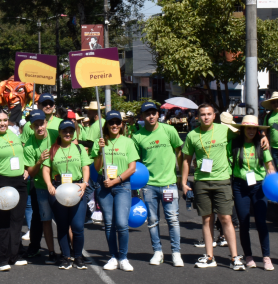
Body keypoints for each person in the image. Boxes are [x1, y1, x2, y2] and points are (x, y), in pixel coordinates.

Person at [181, 103, 245, 270]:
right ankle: (209, 256)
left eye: (209, 114)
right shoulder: (193, 135)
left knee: (226, 218)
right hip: (201, 181)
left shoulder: (224, 130)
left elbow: (247, 134)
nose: (206, 117)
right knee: (207, 219)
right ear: (197, 117)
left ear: (214, 115)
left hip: (222, 180)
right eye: (202, 114)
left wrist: (263, 136)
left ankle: (234, 257)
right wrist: (183, 181)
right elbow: (186, 160)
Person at [132, 102, 184, 267]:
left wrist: (181, 176)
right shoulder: (137, 137)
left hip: (169, 183)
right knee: (153, 220)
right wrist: (136, 187)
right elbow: (136, 163)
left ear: (158, 114)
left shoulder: (169, 130)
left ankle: (176, 253)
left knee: (173, 219)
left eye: (154, 113)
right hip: (148, 186)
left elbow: (179, 151)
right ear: (142, 116)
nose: (151, 116)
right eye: (147, 113)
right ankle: (157, 251)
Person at [92, 110, 138, 271]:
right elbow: (96, 167)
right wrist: (99, 151)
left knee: (122, 223)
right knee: (109, 223)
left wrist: (116, 181)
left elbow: (132, 168)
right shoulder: (100, 142)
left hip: (122, 185)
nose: (114, 125)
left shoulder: (128, 142)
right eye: (111, 122)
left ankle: (124, 257)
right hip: (103, 185)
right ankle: (113, 256)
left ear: (121, 124)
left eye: (117, 122)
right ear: (107, 125)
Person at [0, 108, 28, 271]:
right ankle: (1, 258)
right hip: (0, 183)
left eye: (4, 120)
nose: (2, 123)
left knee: (16, 220)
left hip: (19, 182)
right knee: (2, 222)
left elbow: (20, 156)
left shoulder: (13, 135)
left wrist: (26, 169)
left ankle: (14, 255)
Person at [42, 119, 90, 270]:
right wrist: (49, 185)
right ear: (60, 132)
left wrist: (84, 183)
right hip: (58, 190)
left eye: (70, 131)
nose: (67, 133)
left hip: (77, 189)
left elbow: (86, 167)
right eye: (64, 131)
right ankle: (65, 256)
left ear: (74, 132)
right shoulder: (52, 149)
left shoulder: (80, 148)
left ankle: (78, 256)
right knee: (62, 226)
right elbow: (46, 169)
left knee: (77, 226)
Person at [230, 115, 275, 270]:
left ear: (257, 130)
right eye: (248, 128)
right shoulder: (234, 144)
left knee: (261, 222)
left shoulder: (262, 145)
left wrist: (274, 185)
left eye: (254, 128)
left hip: (259, 186)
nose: (251, 131)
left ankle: (266, 257)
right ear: (243, 129)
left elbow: (270, 166)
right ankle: (248, 256)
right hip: (240, 186)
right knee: (244, 222)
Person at [23, 110, 58, 263]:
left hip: (60, 183)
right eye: (36, 125)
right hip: (40, 186)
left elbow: (72, 141)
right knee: (40, 218)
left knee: (64, 217)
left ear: (46, 123)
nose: (40, 128)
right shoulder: (29, 145)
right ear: (31, 127)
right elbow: (30, 172)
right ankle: (35, 246)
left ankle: (71, 250)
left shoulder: (55, 134)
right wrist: (39, 161)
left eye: (42, 124)